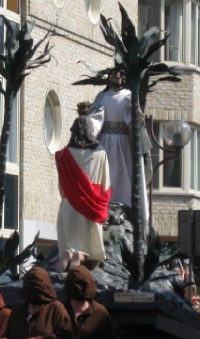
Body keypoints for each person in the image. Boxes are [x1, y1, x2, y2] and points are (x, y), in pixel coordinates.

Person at [89, 68, 150, 224]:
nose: (116, 78)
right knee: (106, 174)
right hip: (104, 142)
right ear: (109, 77)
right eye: (113, 75)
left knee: (124, 175)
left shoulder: (129, 96)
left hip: (123, 143)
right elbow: (94, 117)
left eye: (119, 75)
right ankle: (106, 206)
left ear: (123, 78)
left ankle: (126, 208)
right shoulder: (101, 97)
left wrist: (137, 120)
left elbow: (137, 118)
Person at [54, 115, 111, 271]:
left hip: (69, 205)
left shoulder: (63, 155)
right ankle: (79, 257)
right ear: (90, 132)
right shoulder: (100, 153)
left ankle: (67, 254)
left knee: (69, 244)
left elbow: (62, 187)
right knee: (85, 249)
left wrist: (70, 197)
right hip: (90, 208)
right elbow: (105, 185)